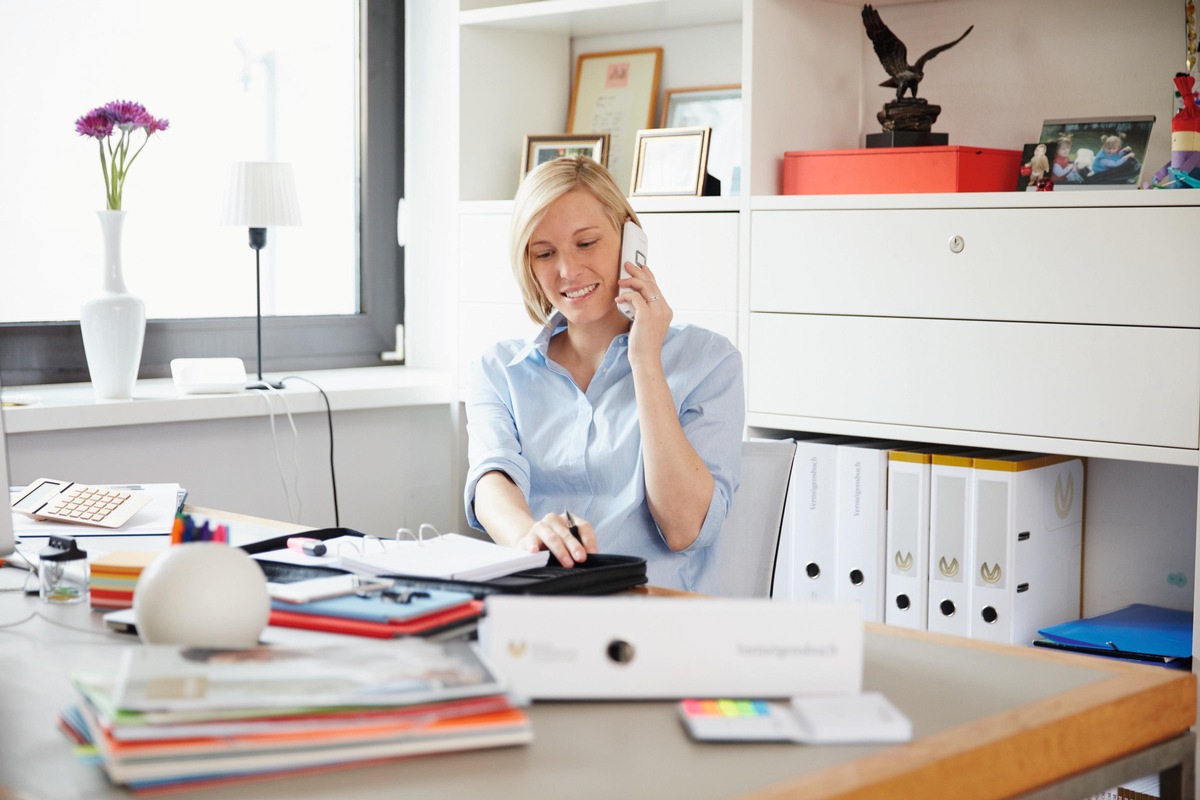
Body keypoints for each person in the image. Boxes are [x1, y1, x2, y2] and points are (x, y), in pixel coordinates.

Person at [463, 156, 744, 593]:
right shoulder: (499, 370)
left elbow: (684, 527)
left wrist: (646, 360)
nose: (567, 271)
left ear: (631, 238)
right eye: (544, 253)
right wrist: (528, 539)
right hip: (543, 610)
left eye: (586, 243)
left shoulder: (709, 361)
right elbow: (491, 481)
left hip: (657, 623)